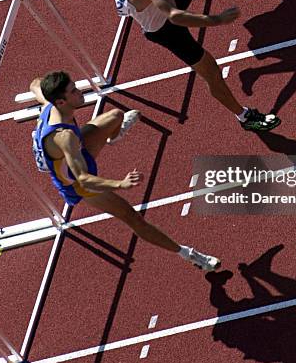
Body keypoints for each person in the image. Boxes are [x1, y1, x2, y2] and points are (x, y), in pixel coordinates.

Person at [89, 0, 282, 132]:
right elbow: (175, 16)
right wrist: (217, 20)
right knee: (211, 71)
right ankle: (244, 117)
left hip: (161, 0)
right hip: (164, 29)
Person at [30, 71, 220, 271]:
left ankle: (115, 134)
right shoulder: (64, 136)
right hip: (77, 182)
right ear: (60, 102)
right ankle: (189, 255)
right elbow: (85, 179)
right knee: (133, 217)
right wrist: (120, 184)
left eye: (76, 87)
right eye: (73, 91)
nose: (80, 92)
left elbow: (35, 83)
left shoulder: (49, 102)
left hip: (75, 151)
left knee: (116, 115)